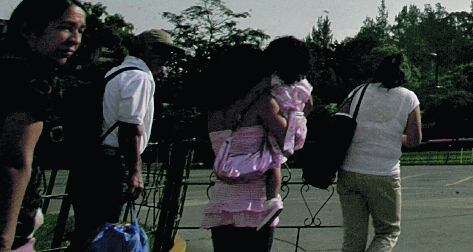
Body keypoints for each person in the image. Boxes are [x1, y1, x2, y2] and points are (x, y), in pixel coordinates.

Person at [67, 28, 184, 251]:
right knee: (102, 238)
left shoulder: (115, 72)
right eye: (163, 53)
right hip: (110, 166)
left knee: (86, 235)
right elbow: (130, 126)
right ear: (147, 50)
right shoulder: (139, 77)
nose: (166, 60)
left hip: (90, 160)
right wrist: (134, 171)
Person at [2, 0, 85, 252]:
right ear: (28, 30)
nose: (75, 40)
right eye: (65, 27)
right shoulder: (33, 82)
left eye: (80, 30)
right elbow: (14, 162)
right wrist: (6, 236)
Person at [201, 44, 286, 252]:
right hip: (255, 201)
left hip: (221, 199)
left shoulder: (214, 108)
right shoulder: (264, 104)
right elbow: (290, 141)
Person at [337, 49, 421, 252]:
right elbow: (414, 140)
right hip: (383, 173)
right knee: (387, 231)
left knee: (353, 237)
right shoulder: (409, 98)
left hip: (349, 169)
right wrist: (395, 137)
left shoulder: (358, 91)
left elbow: (339, 121)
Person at [262, 37, 313, 192]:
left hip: (282, 122)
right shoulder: (302, 82)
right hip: (298, 125)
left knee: (272, 162)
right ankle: (272, 198)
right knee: (276, 161)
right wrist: (300, 118)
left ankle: (271, 198)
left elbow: (257, 94)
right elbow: (309, 104)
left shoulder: (272, 80)